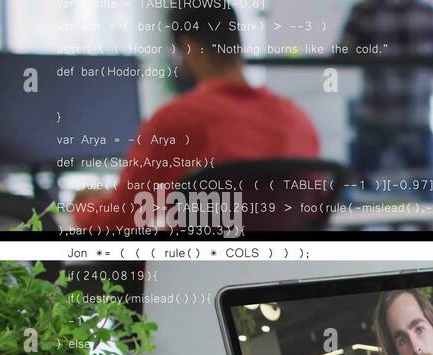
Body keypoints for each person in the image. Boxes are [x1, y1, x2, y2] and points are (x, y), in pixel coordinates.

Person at [73, 0, 320, 231]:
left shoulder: (175, 121)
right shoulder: (297, 119)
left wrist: (84, 204)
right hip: (277, 274)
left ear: (188, 48)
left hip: (186, 275)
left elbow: (117, 221)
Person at [339, 0, 433, 184]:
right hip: (415, 114)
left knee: (362, 189)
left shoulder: (365, 12)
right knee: (423, 190)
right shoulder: (427, 13)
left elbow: (343, 54)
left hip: (375, 112)